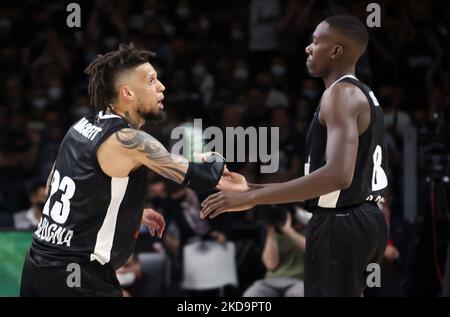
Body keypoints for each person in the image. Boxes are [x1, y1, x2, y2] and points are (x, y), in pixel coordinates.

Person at [201, 16, 389, 297]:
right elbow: (324, 182)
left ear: (336, 51)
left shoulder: (338, 95)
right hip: (364, 220)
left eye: (316, 41)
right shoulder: (362, 93)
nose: (308, 48)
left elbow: (338, 176)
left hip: (340, 223)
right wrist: (251, 187)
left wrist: (252, 198)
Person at [20, 43, 226, 297]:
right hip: (77, 276)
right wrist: (213, 155)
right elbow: (205, 177)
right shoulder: (131, 140)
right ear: (127, 92)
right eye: (151, 81)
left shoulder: (82, 124)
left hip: (37, 263)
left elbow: (55, 185)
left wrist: (123, 212)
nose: (161, 87)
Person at [243, 207, 306, 297]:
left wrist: (289, 231)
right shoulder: (275, 234)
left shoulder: (309, 230)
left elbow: (313, 249)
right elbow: (271, 265)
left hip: (299, 280)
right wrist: (270, 229)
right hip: (272, 280)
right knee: (251, 294)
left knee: (299, 293)